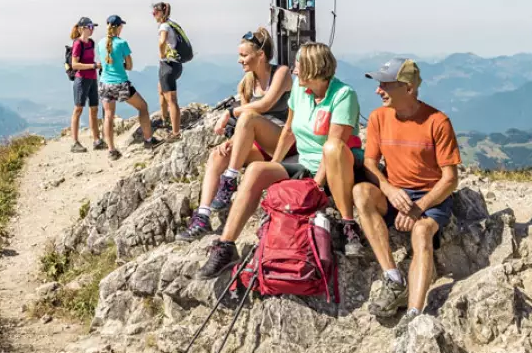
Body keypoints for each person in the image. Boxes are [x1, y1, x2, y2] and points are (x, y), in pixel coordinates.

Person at [197, 41, 364, 277]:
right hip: (305, 162)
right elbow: (288, 131)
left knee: (332, 147)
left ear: (314, 68)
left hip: (338, 167)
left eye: (299, 66)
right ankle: (226, 245)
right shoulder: (299, 89)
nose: (294, 71)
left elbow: (335, 145)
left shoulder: (343, 95)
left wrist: (315, 186)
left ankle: (348, 226)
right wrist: (273, 165)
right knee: (256, 170)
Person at [353, 59, 460, 322]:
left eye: (386, 84)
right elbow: (369, 163)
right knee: (361, 193)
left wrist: (417, 209)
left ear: (409, 89)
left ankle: (414, 314)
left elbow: (450, 179)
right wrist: (388, 189)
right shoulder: (379, 117)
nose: (379, 90)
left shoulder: (437, 121)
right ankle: (393, 277)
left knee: (422, 232)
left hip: (430, 197)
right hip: (396, 193)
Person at [178, 28, 291, 241]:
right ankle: (202, 216)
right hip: (261, 144)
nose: (240, 60)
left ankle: (229, 179)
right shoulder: (247, 83)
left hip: (283, 142)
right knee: (217, 155)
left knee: (248, 118)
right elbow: (244, 125)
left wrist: (230, 112)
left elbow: (265, 105)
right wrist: (230, 143)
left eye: (244, 55)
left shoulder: (281, 73)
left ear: (261, 55)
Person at [97, 15, 159, 160]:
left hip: (104, 83)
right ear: (119, 27)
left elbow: (104, 63)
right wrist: (120, 65)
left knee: (108, 116)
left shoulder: (100, 43)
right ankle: (148, 140)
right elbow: (129, 66)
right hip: (120, 83)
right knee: (143, 107)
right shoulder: (122, 43)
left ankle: (111, 150)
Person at [67, 18, 105, 153]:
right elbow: (75, 64)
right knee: (78, 109)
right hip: (81, 80)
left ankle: (96, 140)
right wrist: (93, 65)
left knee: (94, 109)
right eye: (90, 26)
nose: (92, 28)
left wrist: (96, 65)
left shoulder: (91, 43)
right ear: (82, 28)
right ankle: (75, 142)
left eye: (93, 26)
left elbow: (89, 59)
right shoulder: (78, 44)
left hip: (92, 79)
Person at [153, 2, 183, 139]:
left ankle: (175, 132)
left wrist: (162, 54)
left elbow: (162, 42)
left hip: (168, 65)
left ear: (161, 12)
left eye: (155, 12)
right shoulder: (173, 23)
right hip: (177, 64)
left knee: (171, 99)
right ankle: (165, 120)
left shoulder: (164, 26)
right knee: (161, 90)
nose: (153, 14)